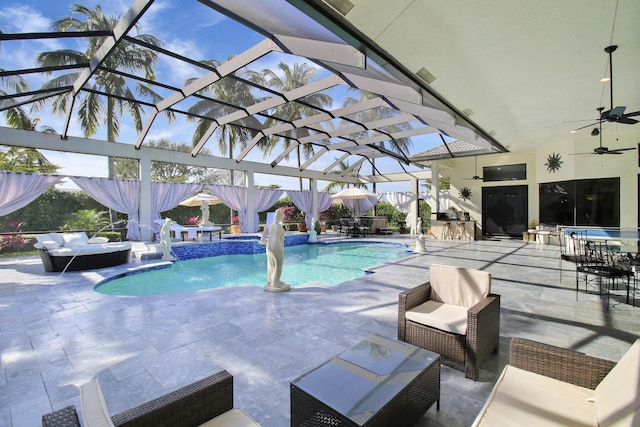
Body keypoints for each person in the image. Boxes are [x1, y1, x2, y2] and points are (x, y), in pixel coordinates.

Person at [260, 208, 290, 292]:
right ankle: (275, 282)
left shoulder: (268, 227)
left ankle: (271, 280)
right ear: (281, 218)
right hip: (278, 247)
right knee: (278, 264)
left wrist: (268, 243)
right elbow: (281, 242)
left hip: (269, 247)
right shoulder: (281, 229)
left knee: (271, 264)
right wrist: (281, 251)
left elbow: (262, 240)